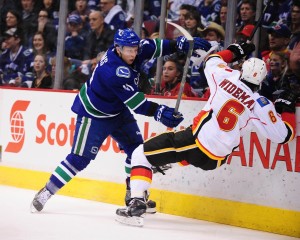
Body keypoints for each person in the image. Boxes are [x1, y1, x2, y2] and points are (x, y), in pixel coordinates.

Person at [115, 42, 297, 227]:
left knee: (140, 154)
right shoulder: (261, 103)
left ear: (242, 70)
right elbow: (285, 135)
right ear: (262, 79)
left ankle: (137, 204)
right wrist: (286, 107)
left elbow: (212, 59)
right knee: (178, 147)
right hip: (217, 159)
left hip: (197, 143)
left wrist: (235, 50)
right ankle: (165, 163)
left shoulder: (226, 77)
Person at [30, 28, 212, 212]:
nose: (133, 53)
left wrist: (178, 44)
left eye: (134, 49)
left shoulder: (136, 48)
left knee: (138, 153)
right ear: (118, 48)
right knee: (79, 159)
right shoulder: (114, 71)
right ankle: (46, 192)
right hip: (94, 114)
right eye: (128, 50)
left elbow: (156, 46)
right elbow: (138, 104)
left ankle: (133, 196)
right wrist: (160, 112)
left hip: (117, 110)